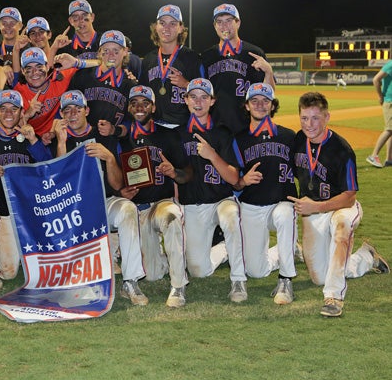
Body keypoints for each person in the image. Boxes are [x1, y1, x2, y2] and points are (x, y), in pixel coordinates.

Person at [288, 91, 389, 317]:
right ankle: (365, 257)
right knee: (319, 277)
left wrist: (317, 207)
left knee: (342, 230)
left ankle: (333, 297)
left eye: (315, 118)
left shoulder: (342, 149)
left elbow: (350, 195)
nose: (309, 124)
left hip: (341, 206)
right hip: (312, 212)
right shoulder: (297, 140)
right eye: (304, 118)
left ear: (327, 117)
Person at [52, 90, 148, 306]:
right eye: (67, 110)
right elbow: (58, 184)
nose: (73, 114)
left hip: (104, 200)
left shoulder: (104, 135)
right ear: (61, 115)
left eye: (78, 109)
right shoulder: (60, 138)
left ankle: (131, 280)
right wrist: (60, 142)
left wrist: (110, 158)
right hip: (74, 206)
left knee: (127, 209)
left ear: (87, 110)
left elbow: (116, 185)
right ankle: (79, 279)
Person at [174, 78, 248, 303]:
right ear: (185, 100)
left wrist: (212, 155)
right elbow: (176, 176)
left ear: (212, 101)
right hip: (193, 205)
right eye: (193, 96)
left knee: (231, 216)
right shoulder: (177, 135)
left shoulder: (223, 133)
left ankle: (238, 280)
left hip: (220, 200)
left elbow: (234, 178)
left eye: (204, 97)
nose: (198, 102)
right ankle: (226, 249)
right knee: (199, 270)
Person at [0, 90, 53, 287]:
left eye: (14, 108)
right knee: (8, 273)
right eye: (3, 108)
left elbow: (49, 169)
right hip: (3, 212)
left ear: (21, 112)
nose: (9, 113)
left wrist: (34, 140)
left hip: (30, 212)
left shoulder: (30, 138)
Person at [120, 85, 189, 308]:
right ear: (129, 108)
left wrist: (174, 172)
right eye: (135, 103)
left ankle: (178, 285)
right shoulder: (121, 139)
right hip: (137, 208)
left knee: (171, 217)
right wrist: (122, 191)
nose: (140, 107)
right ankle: (167, 258)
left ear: (153, 106)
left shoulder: (167, 135)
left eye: (145, 103)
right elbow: (113, 177)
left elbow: (187, 174)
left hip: (162, 202)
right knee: (152, 275)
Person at [232, 83, 298, 304]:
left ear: (272, 106)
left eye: (265, 101)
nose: (260, 105)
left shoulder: (289, 136)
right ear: (247, 106)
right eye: (255, 101)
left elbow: (305, 171)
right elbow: (233, 181)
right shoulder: (239, 139)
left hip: (281, 202)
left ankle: (286, 278)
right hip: (252, 205)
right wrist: (242, 181)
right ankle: (287, 249)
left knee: (285, 215)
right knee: (256, 271)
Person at [200, 3, 275, 135]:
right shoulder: (207, 56)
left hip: (246, 128)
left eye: (229, 21)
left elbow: (269, 93)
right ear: (215, 26)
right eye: (219, 22)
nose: (224, 26)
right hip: (216, 128)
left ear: (238, 23)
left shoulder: (254, 53)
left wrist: (268, 71)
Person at [139, 4, 205, 127]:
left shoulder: (192, 58)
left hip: (184, 128)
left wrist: (186, 84)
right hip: (155, 127)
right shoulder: (148, 59)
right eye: (162, 23)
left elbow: (206, 94)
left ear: (181, 28)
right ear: (156, 27)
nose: (166, 28)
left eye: (173, 24)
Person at [69, 29, 137, 139]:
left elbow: (132, 122)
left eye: (116, 51)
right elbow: (65, 109)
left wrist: (114, 130)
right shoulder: (82, 76)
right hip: (81, 141)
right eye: (106, 50)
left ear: (125, 52)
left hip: (112, 144)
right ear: (99, 52)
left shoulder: (131, 86)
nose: (110, 56)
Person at [366, 59, 392, 168]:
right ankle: (373, 155)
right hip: (390, 101)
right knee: (389, 129)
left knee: (391, 130)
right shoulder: (390, 64)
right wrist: (380, 96)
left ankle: (389, 159)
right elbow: (376, 79)